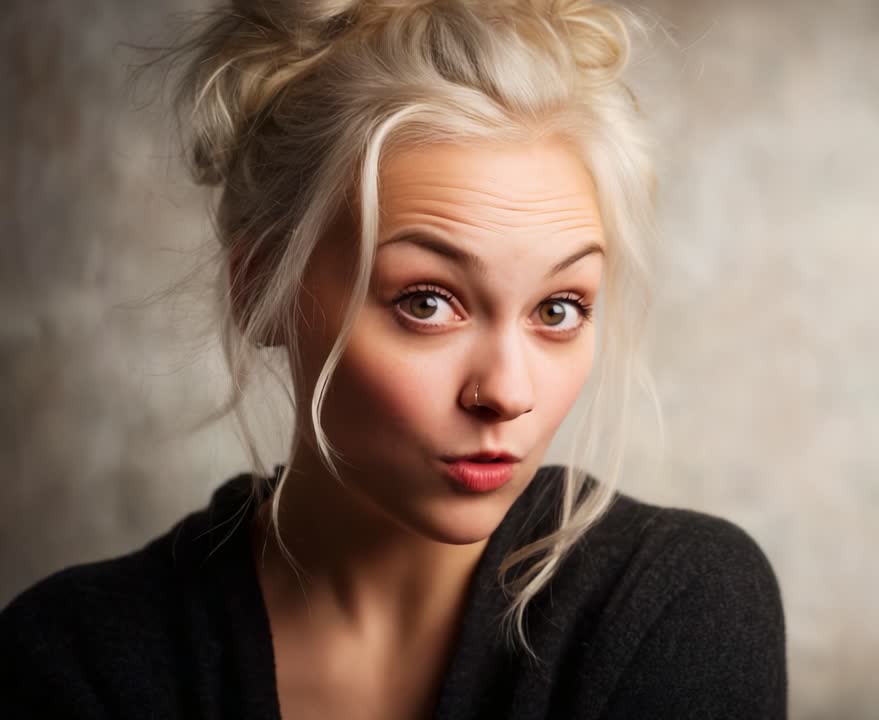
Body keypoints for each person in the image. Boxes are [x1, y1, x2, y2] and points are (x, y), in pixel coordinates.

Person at [0, 0, 788, 718]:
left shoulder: (674, 605)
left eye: (558, 309)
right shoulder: (76, 659)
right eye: (427, 301)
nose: (507, 393)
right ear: (262, 289)